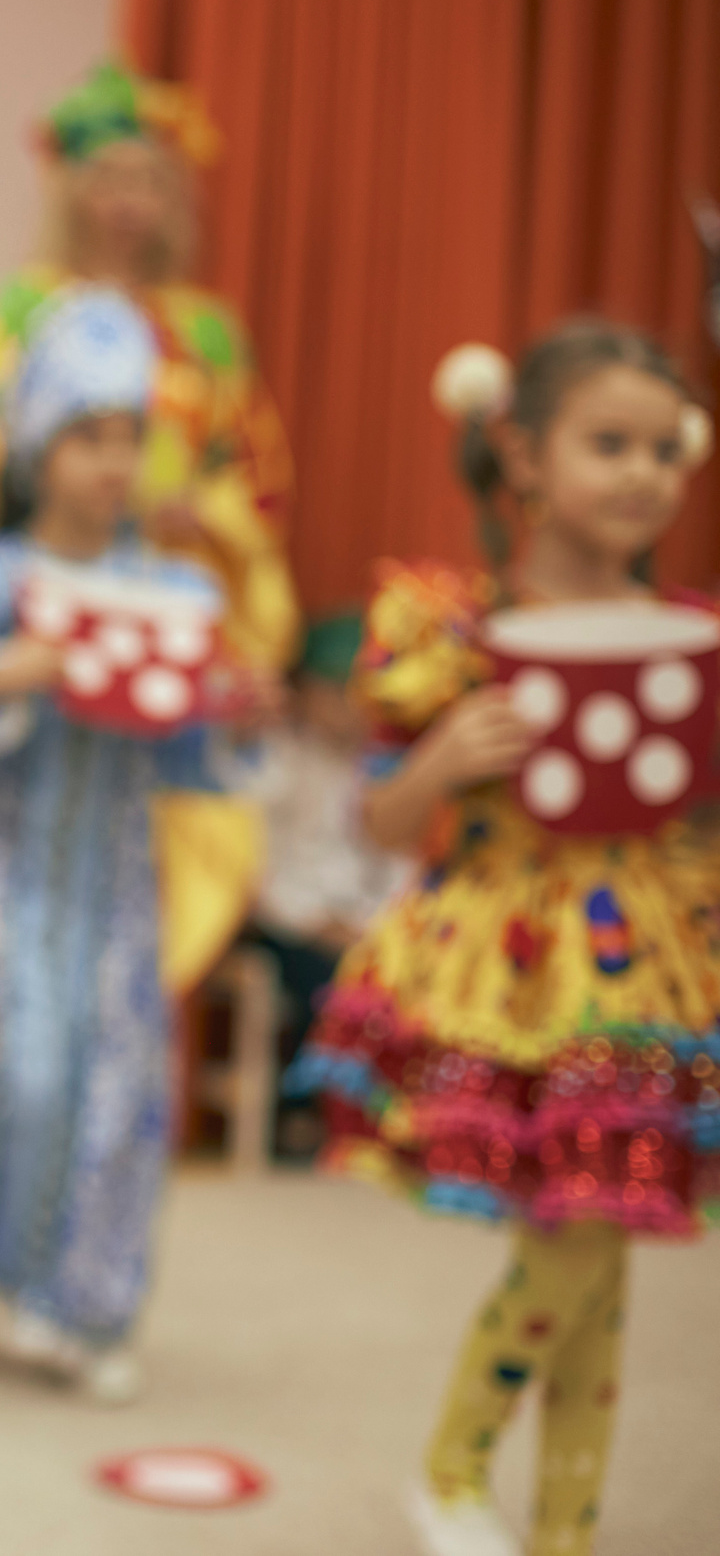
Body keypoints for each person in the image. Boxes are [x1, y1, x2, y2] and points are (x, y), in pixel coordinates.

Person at [290, 323, 720, 1556]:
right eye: (608, 444)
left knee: (606, 1228)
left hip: (651, 965)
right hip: (511, 960)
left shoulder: (685, 631)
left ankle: (565, 1532)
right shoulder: (452, 625)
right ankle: (453, 1468)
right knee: (581, 1237)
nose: (643, 474)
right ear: (522, 456)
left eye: (664, 450)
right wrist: (439, 760)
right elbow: (378, 815)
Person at [0, 286, 244, 1406]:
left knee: (115, 1083)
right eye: (88, 433)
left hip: (116, 897)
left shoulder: (173, 591)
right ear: (38, 445)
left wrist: (223, 715)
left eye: (129, 435)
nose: (113, 460)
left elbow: (189, 763)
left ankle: (85, 1302)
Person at [0, 61, 298, 1007]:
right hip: (40, 599)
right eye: (111, 179)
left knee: (130, 904)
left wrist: (202, 517)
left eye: (151, 182)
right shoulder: (18, 310)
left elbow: (260, 481)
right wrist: (54, 492)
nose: (130, 203)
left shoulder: (207, 330)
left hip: (159, 607)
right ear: (73, 189)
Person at [244, 612, 413, 1158]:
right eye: (338, 694)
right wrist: (316, 923)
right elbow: (256, 864)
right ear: (304, 692)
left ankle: (389, 1120)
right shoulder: (276, 760)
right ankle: (309, 1114)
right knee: (326, 983)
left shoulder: (386, 768)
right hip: (288, 923)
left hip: (364, 926)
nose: (352, 710)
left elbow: (399, 864)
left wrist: (374, 924)